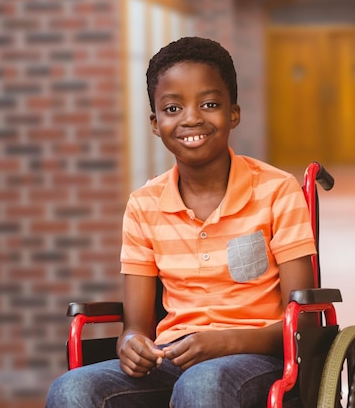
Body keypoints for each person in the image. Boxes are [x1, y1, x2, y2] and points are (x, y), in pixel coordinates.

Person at [45, 36, 317, 408]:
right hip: (171, 356)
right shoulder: (144, 205)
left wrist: (224, 342)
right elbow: (136, 327)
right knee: (71, 390)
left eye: (209, 104)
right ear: (156, 124)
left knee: (202, 385)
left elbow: (301, 324)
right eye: (173, 108)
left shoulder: (276, 191)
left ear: (233, 113)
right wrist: (130, 346)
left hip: (256, 357)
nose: (191, 118)